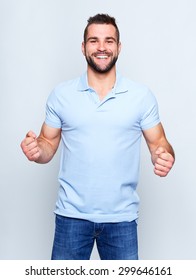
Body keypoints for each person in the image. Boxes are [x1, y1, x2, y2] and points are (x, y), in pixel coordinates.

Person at [20, 14, 175, 260]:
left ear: (119, 47)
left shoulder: (141, 96)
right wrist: (36, 150)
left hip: (121, 220)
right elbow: (47, 143)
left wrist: (165, 156)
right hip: (71, 217)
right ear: (83, 48)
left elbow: (159, 143)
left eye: (109, 41)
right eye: (94, 41)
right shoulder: (61, 95)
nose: (102, 47)